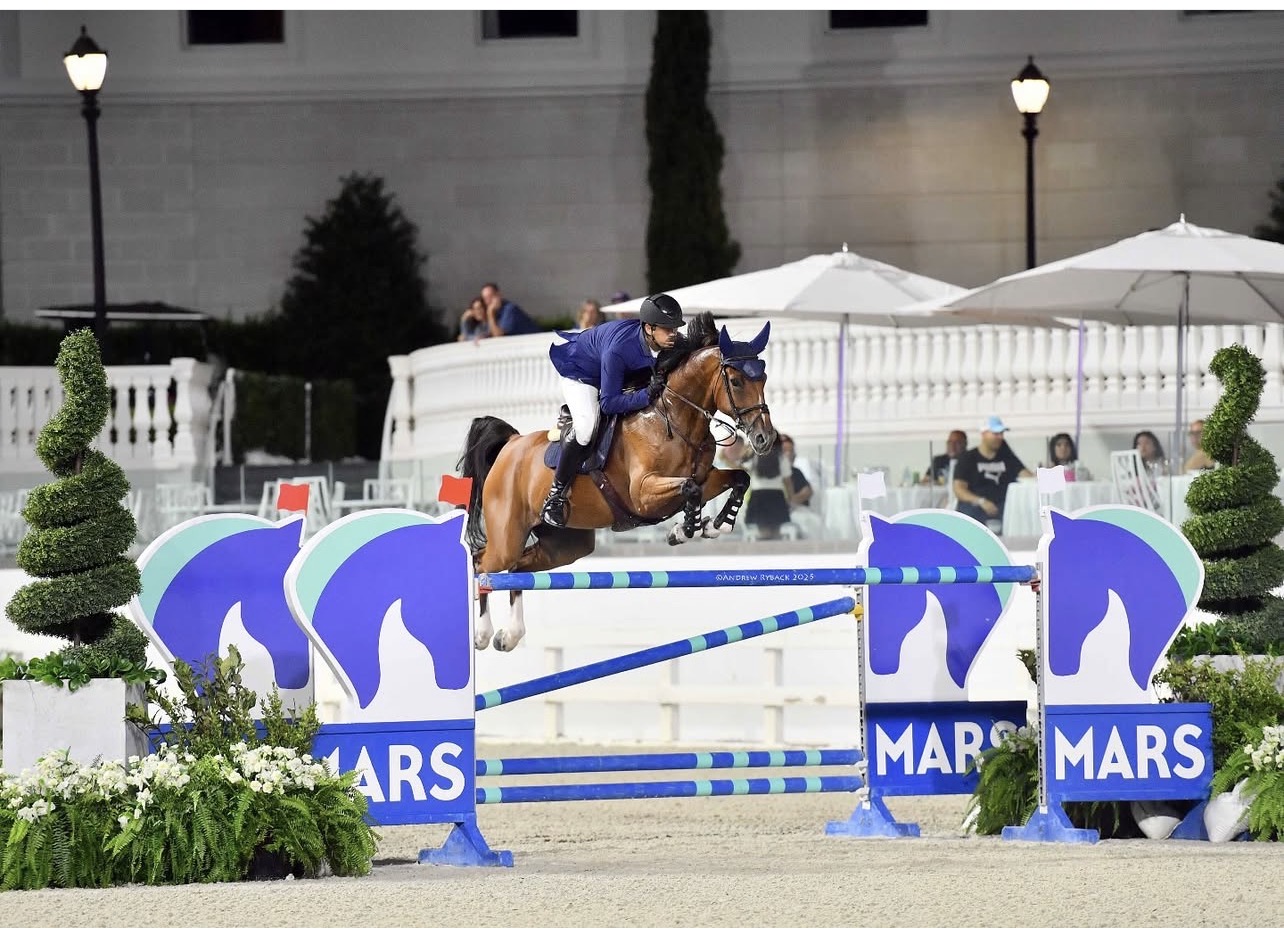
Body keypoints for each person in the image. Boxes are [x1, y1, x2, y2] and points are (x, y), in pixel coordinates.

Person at [538, 293, 686, 527]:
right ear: (649, 328)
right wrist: (646, 394)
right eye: (668, 329)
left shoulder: (665, 339)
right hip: (582, 374)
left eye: (675, 328)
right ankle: (554, 497)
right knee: (586, 428)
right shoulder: (619, 350)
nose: (674, 334)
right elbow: (608, 403)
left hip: (616, 371)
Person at [953, 415, 1034, 533]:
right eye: (995, 434)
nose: (1000, 437)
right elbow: (959, 489)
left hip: (1003, 508)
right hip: (975, 508)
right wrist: (981, 501)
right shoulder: (968, 458)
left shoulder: (1007, 457)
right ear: (984, 434)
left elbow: (1025, 475)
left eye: (1001, 433)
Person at [743, 436, 791, 540]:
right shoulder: (781, 457)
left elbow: (743, 468)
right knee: (776, 532)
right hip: (776, 495)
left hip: (759, 495)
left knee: (763, 532)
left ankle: (762, 553)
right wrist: (790, 498)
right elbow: (788, 481)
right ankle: (776, 553)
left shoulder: (754, 456)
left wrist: (748, 449)